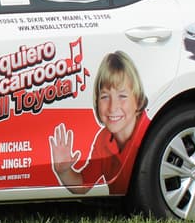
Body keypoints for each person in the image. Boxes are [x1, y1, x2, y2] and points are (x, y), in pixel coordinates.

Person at [49, 51, 149, 194]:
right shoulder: (103, 140)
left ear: (138, 100)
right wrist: (64, 171)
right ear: (96, 102)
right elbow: (83, 184)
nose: (113, 107)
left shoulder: (149, 132)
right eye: (105, 96)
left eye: (122, 96)